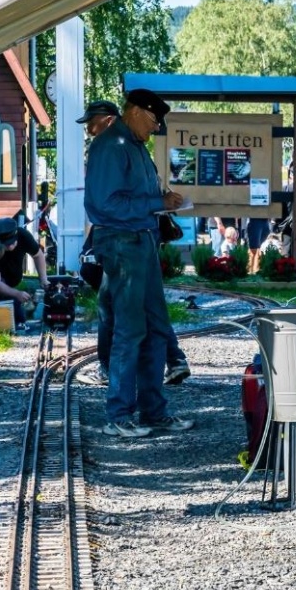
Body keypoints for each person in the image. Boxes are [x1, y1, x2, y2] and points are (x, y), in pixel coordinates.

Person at [85, 88, 193, 437]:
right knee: (130, 330)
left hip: (141, 242)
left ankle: (153, 411)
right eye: (153, 119)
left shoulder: (132, 147)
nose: (156, 126)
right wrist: (154, 202)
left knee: (156, 326)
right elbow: (106, 205)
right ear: (134, 111)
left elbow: (131, 198)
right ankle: (119, 414)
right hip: (122, 243)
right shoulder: (110, 147)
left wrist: (161, 201)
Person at [0, 217, 47, 330]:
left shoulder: (23, 235)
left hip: (11, 280)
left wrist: (43, 279)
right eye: (6, 245)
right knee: (15, 310)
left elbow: (38, 255)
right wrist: (16, 294)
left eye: (12, 243)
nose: (10, 246)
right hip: (2, 282)